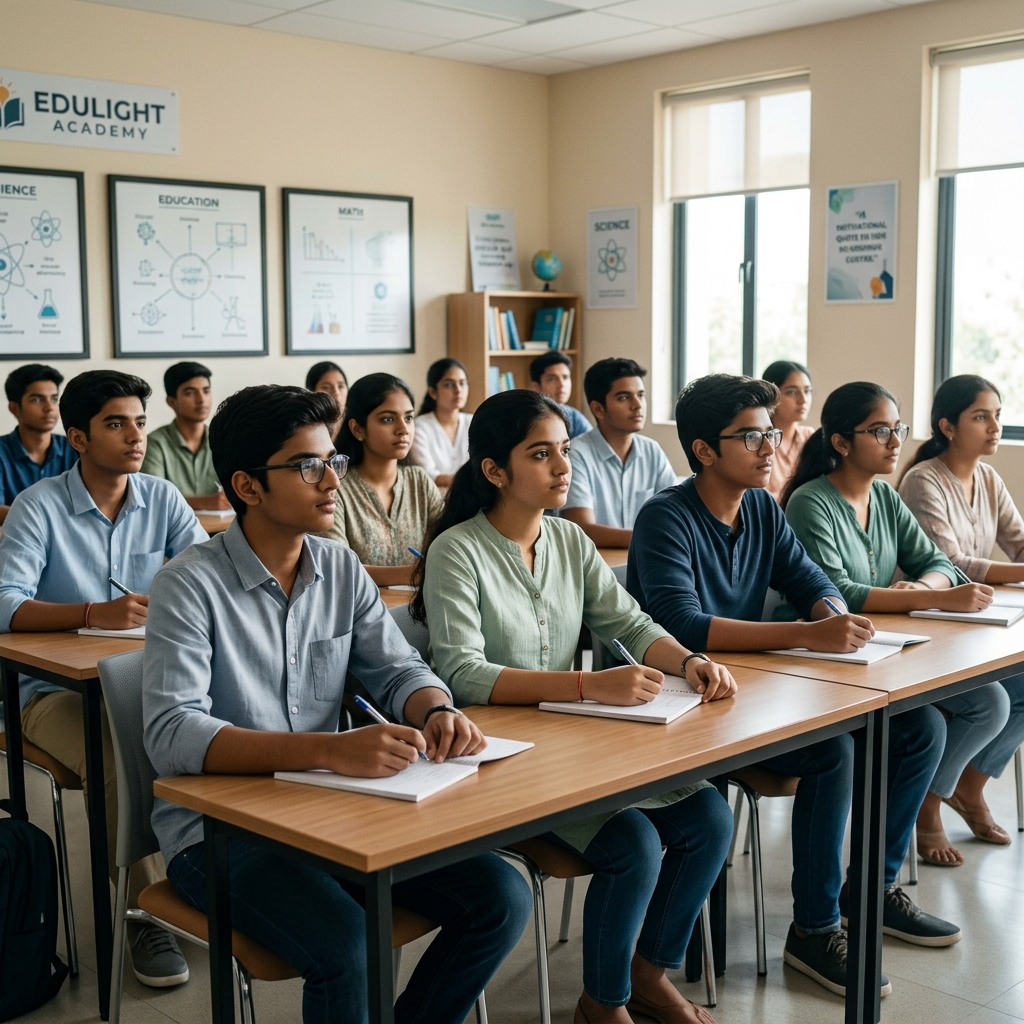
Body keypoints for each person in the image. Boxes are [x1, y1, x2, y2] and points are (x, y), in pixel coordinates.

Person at [143, 384, 530, 1024]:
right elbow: (173, 732)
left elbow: (397, 667)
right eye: (308, 466)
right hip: (221, 833)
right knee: (348, 943)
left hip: (331, 810)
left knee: (503, 894)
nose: (332, 480)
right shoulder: (188, 584)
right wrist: (330, 750)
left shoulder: (338, 565)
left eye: (333, 461)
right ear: (247, 486)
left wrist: (435, 709)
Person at [415, 389, 736, 1024]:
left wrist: (688, 661)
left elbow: (630, 622)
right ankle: (602, 1003)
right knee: (634, 843)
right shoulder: (458, 549)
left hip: (575, 746)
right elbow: (463, 675)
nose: (563, 466)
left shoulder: (568, 539)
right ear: (494, 470)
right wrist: (590, 686)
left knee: (709, 818)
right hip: (503, 760)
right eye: (541, 454)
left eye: (564, 450)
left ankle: (647, 976)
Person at [628, 373, 900, 998]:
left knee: (879, 736)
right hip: (680, 705)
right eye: (751, 437)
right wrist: (806, 635)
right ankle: (814, 928)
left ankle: (839, 913)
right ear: (703, 450)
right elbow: (682, 623)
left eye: (771, 433)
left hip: (744, 698)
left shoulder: (759, 508)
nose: (770, 447)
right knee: (834, 752)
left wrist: (832, 613)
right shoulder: (666, 517)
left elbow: (808, 578)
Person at [0, 370, 207, 988]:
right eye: (116, 424)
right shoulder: (40, 505)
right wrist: (93, 613)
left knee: (216, 735)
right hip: (51, 693)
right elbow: (4, 603)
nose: (135, 436)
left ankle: (210, 881)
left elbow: (208, 578)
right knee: (122, 756)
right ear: (78, 438)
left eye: (140, 422)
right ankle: (142, 913)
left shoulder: (162, 497)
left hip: (146, 682)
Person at [784, 381, 1007, 877]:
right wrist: (934, 597)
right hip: (823, 663)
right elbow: (837, 592)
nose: (894, 441)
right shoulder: (810, 501)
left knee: (990, 700)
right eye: (879, 430)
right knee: (932, 724)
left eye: (897, 429)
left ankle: (888, 869)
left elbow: (937, 562)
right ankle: (877, 877)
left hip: (884, 651)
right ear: (841, 442)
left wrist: (923, 585)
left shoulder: (884, 496)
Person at [899, 375, 1024, 854]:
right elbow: (951, 563)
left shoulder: (988, 478)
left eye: (997, 415)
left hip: (977, 627)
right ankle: (929, 802)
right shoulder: (922, 480)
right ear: (947, 426)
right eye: (981, 416)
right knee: (992, 702)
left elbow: (1017, 542)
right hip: (930, 630)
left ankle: (969, 788)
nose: (995, 426)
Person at [318, 373, 442, 587]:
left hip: (419, 605)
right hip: (358, 607)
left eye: (409, 418)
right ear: (357, 429)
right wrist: (417, 574)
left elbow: (447, 548)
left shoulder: (419, 482)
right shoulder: (335, 487)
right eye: (388, 419)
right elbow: (338, 568)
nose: (403, 429)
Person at [561, 358, 676, 548]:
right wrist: (655, 538)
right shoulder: (576, 454)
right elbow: (582, 529)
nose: (637, 405)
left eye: (640, 395)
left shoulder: (652, 450)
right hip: (599, 561)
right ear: (598, 409)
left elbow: (677, 515)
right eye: (624, 397)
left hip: (646, 557)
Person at [141, 361, 232, 511]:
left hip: (221, 524)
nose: (201, 399)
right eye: (190, 393)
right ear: (172, 402)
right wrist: (205, 502)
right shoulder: (154, 443)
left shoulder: (223, 440)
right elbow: (153, 496)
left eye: (206, 391)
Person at [0, 364, 78, 524]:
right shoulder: (2, 451)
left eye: (54, 399)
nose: (49, 408)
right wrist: (47, 521)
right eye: (37, 400)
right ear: (14, 408)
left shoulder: (75, 447)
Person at [409, 358, 471, 489]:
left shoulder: (473, 422)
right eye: (449, 385)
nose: (458, 390)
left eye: (462, 383)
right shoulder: (420, 427)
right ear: (433, 392)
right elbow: (427, 475)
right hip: (436, 497)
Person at [762, 360, 814, 503]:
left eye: (807, 391)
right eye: (792, 392)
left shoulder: (809, 436)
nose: (803, 399)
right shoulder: (760, 441)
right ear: (772, 395)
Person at [529, 351, 591, 439]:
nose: (562, 384)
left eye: (565, 377)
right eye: (552, 379)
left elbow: (592, 444)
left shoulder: (574, 417)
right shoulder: (528, 418)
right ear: (536, 387)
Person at [306, 360, 348, 441]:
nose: (336, 393)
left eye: (340, 386)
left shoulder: (356, 425)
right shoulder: (305, 427)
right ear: (311, 391)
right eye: (326, 387)